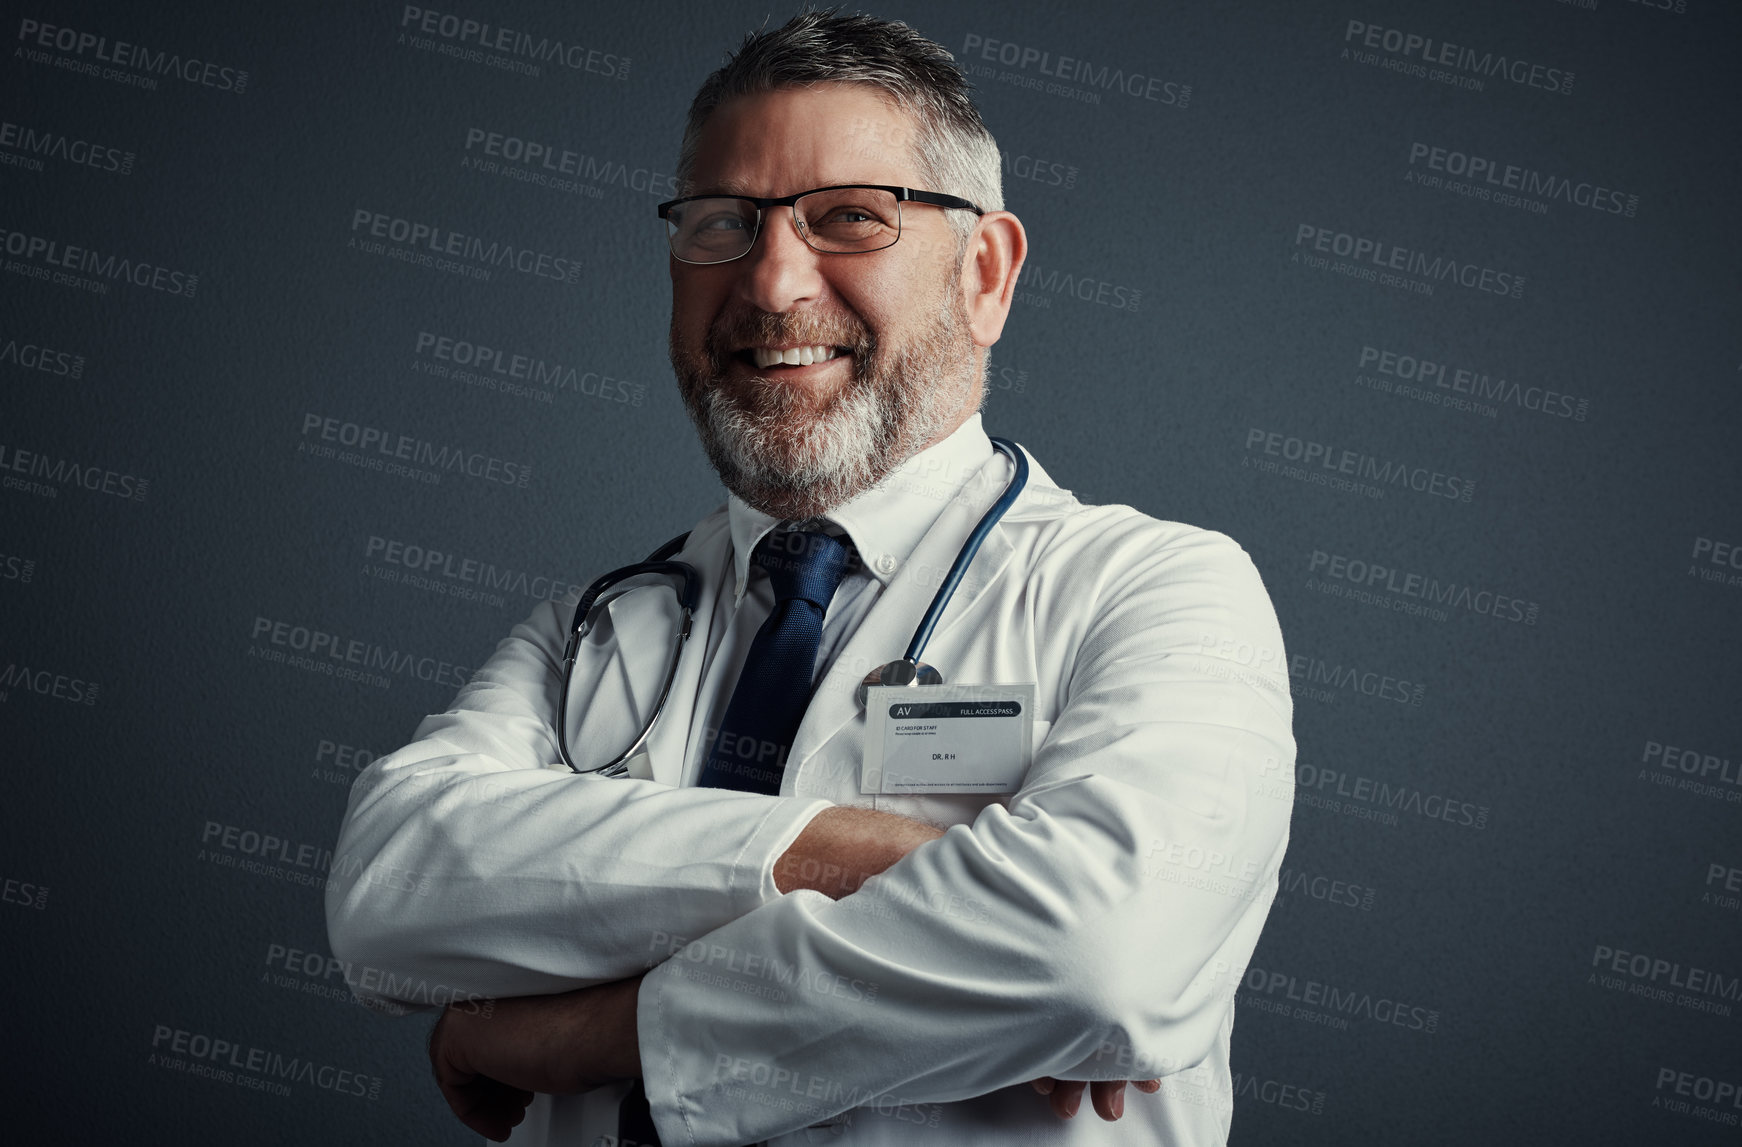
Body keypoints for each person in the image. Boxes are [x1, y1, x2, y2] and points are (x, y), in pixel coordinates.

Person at [325, 10, 1295, 1146]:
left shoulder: (1156, 591)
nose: (771, 280)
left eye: (847, 218)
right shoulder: (595, 629)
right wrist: (843, 854)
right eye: (721, 224)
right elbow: (385, 890)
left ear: (983, 273)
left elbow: (1098, 958)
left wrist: (582, 1033)